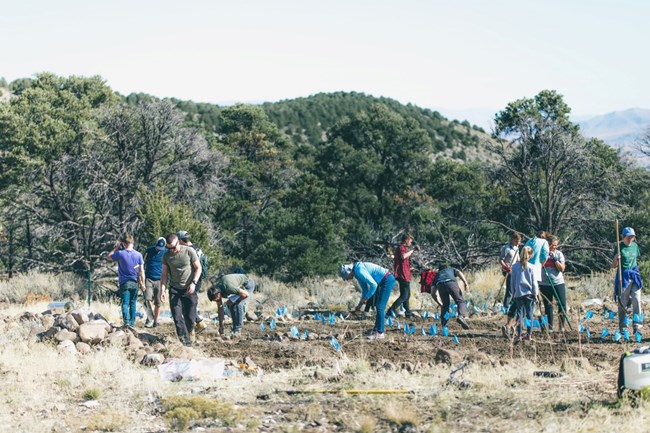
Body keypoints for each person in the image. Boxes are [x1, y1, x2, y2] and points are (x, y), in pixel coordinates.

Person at [160, 233, 202, 347]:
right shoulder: (166, 256)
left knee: (190, 318)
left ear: (178, 242)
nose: (172, 250)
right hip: (175, 289)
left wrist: (193, 283)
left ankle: (190, 330)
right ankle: (186, 344)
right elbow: (164, 274)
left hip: (189, 288)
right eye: (169, 248)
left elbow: (198, 268)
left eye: (173, 247)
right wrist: (162, 289)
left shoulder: (189, 251)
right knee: (177, 318)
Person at [340, 261, 396, 340]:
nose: (347, 279)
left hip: (387, 280)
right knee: (378, 306)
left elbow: (373, 285)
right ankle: (376, 329)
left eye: (346, 277)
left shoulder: (359, 270)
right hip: (382, 282)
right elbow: (365, 290)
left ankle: (380, 333)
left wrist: (366, 298)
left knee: (380, 306)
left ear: (349, 272)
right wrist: (359, 305)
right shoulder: (357, 273)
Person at [107, 234, 145, 330]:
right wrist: (143, 283)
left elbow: (109, 257)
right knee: (133, 303)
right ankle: (132, 323)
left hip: (124, 282)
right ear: (133, 242)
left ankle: (127, 322)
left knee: (125, 303)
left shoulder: (120, 254)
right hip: (135, 281)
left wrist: (115, 248)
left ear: (123, 243)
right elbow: (141, 271)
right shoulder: (139, 255)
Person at [613, 227, 644, 333]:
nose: (631, 238)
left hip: (634, 275)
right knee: (623, 302)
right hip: (623, 275)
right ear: (623, 237)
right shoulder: (619, 247)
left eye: (632, 236)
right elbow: (614, 265)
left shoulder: (635, 246)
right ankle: (623, 328)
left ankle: (637, 326)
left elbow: (635, 259)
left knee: (637, 299)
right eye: (629, 236)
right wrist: (616, 259)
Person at [177, 231, 209, 333]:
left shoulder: (190, 250)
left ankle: (199, 324)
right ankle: (194, 325)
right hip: (198, 279)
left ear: (181, 240)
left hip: (192, 280)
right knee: (189, 304)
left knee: (187, 305)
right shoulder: (198, 247)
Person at [539, 235, 567, 333]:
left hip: (558, 283)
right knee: (548, 305)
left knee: (562, 304)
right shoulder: (542, 254)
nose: (554, 247)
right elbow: (538, 266)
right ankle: (550, 327)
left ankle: (561, 326)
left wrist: (554, 259)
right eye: (552, 245)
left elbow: (562, 268)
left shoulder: (559, 254)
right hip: (545, 284)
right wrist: (545, 257)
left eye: (555, 245)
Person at [510, 245, 539, 341]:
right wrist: (536, 294)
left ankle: (518, 335)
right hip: (529, 294)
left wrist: (513, 293)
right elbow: (534, 282)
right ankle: (528, 334)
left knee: (520, 315)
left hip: (518, 293)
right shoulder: (532, 267)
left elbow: (512, 282)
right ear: (530, 255)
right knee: (529, 315)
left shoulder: (515, 267)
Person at [388, 234, 419, 318]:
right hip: (403, 275)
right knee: (404, 296)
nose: (411, 242)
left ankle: (408, 313)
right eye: (410, 240)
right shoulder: (401, 248)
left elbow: (402, 262)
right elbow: (403, 256)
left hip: (404, 274)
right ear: (406, 240)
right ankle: (390, 310)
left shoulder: (402, 248)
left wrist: (409, 268)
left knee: (407, 295)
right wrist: (413, 250)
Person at [432, 263, 470, 330]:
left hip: (440, 284)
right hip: (451, 283)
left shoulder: (437, 275)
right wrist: (465, 283)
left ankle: (444, 326)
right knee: (460, 301)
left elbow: (433, 293)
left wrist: (440, 304)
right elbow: (458, 272)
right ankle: (461, 316)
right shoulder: (451, 269)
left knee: (445, 305)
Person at [499, 232, 521, 338]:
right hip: (508, 270)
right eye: (517, 241)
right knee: (510, 289)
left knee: (515, 289)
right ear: (512, 239)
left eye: (519, 241)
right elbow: (501, 259)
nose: (518, 242)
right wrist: (506, 267)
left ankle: (511, 303)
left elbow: (518, 259)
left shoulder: (517, 248)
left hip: (515, 269)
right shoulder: (506, 248)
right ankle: (506, 305)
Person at [142, 237, 166, 328]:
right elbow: (142, 262)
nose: (159, 250)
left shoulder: (166, 252)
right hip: (149, 278)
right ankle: (150, 317)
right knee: (147, 299)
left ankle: (155, 321)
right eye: (158, 248)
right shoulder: (149, 250)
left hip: (160, 280)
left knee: (158, 302)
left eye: (161, 249)